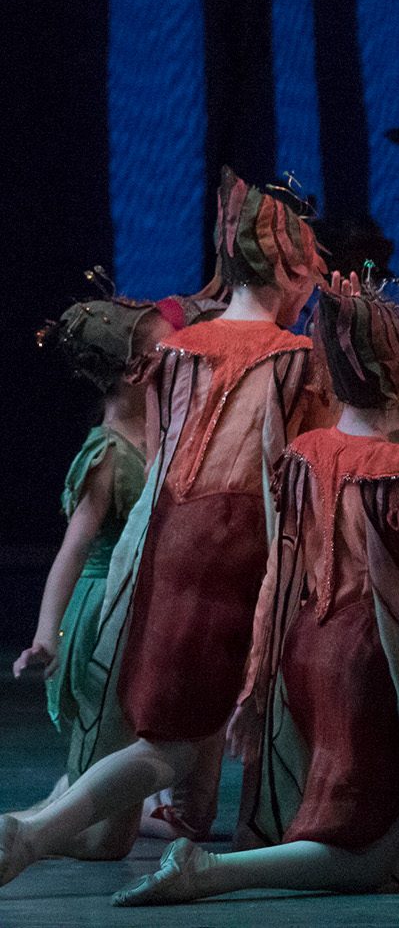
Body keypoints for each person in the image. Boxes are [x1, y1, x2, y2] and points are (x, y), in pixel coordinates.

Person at [112, 283, 399, 906]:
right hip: (365, 659)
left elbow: (276, 584)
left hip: (307, 648)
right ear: (397, 363)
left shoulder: (304, 455)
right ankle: (209, 872)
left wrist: (256, 684)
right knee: (364, 855)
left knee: (390, 815)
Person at [0, 169, 327, 886]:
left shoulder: (180, 352)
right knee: (175, 741)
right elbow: (309, 472)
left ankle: (78, 822)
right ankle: (33, 830)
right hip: (236, 550)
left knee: (184, 744)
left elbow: (163, 464)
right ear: (292, 264)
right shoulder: (296, 359)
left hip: (170, 541)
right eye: (311, 267)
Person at [10, 297, 174, 818]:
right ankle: (29, 825)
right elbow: (74, 548)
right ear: (132, 371)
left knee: (116, 795)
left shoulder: (160, 433)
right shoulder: (107, 454)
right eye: (159, 350)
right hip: (104, 615)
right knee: (100, 819)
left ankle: (64, 810)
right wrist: (45, 633)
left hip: (140, 613)